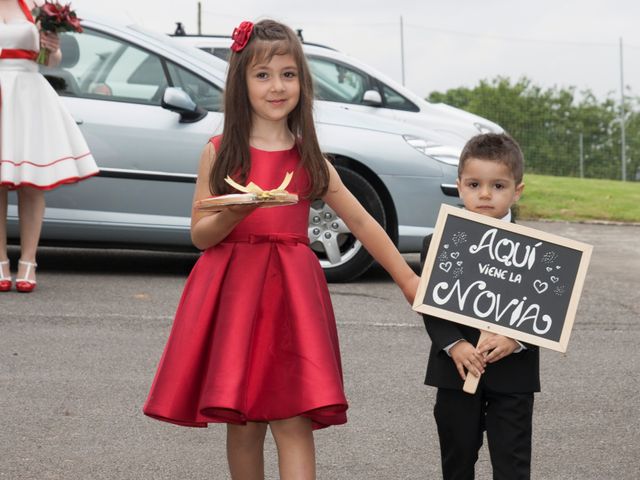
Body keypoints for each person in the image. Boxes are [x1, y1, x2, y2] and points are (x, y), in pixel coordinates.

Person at [143, 19, 419, 480]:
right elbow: (200, 235)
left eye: (288, 75)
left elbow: (361, 221)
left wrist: (408, 279)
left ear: (302, 83)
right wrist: (235, 212)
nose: (277, 86)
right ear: (240, 82)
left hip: (292, 302)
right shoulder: (219, 152)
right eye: (263, 75)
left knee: (294, 421)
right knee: (246, 424)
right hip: (236, 298)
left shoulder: (309, 156)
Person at [420, 133, 539, 480]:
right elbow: (431, 307)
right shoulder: (438, 242)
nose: (485, 194)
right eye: (474, 184)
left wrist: (515, 339)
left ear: (517, 190)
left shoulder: (538, 250)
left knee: (512, 466)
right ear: (459, 186)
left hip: (513, 376)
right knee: (456, 464)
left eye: (498, 186)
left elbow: (546, 310)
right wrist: (455, 345)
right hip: (455, 373)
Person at [0, 0, 99, 293]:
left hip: (28, 94)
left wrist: (52, 47)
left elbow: (50, 60)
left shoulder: (37, 5)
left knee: (32, 185)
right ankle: (1, 261)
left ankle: (28, 262)